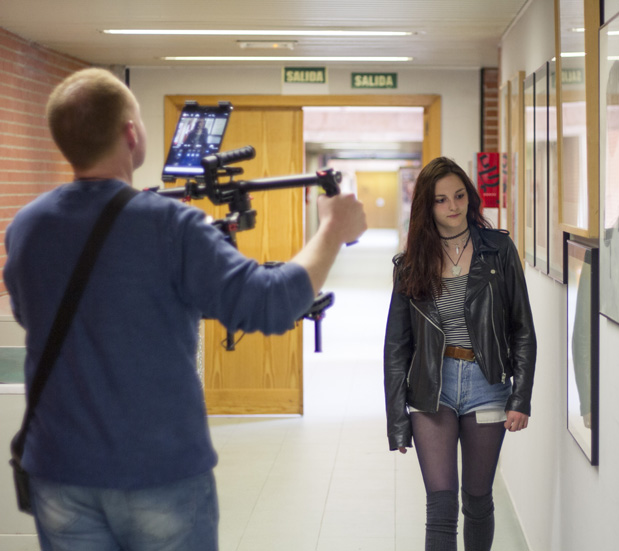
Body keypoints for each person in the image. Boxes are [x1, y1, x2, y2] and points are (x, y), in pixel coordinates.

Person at [4, 68, 366, 550]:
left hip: (59, 471)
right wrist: (331, 232)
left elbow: (34, 318)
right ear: (131, 134)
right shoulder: (170, 224)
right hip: (158, 470)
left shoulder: (26, 226)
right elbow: (269, 303)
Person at [384, 157, 536, 551]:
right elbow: (397, 348)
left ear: (470, 196)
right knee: (441, 507)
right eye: (441, 200)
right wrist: (397, 420)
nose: (453, 206)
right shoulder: (410, 264)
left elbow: (522, 329)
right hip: (432, 387)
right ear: (426, 206)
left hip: (487, 384)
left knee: (478, 500)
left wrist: (521, 396)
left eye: (459, 195)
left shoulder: (498, 251)